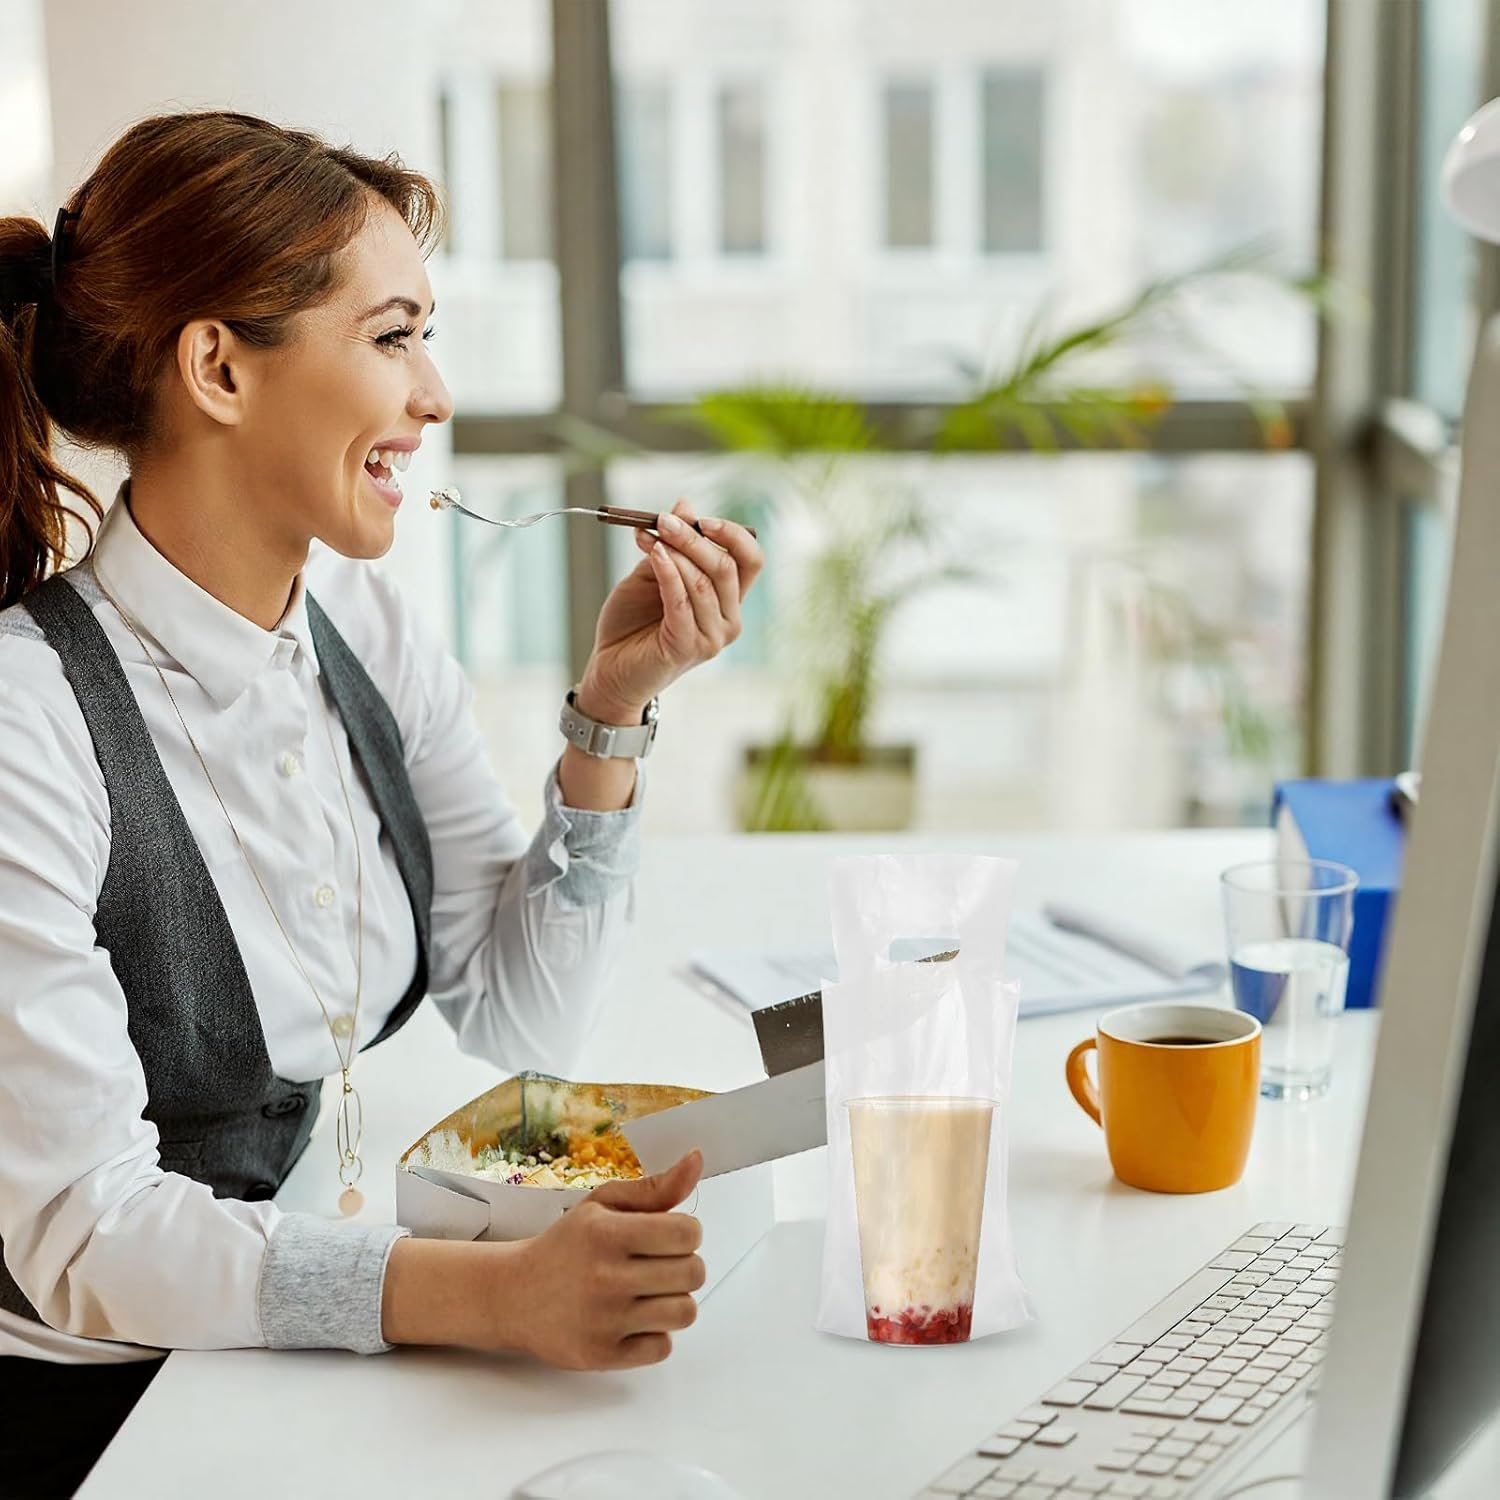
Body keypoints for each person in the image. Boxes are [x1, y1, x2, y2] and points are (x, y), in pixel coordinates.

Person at [0, 108, 762, 1497]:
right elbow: (87, 1239)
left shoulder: (365, 628)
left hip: (291, 1331)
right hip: (96, 1415)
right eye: (394, 335)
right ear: (219, 366)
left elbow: (523, 1017)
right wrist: (493, 1297)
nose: (437, 395)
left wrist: (610, 713)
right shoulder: (24, 722)